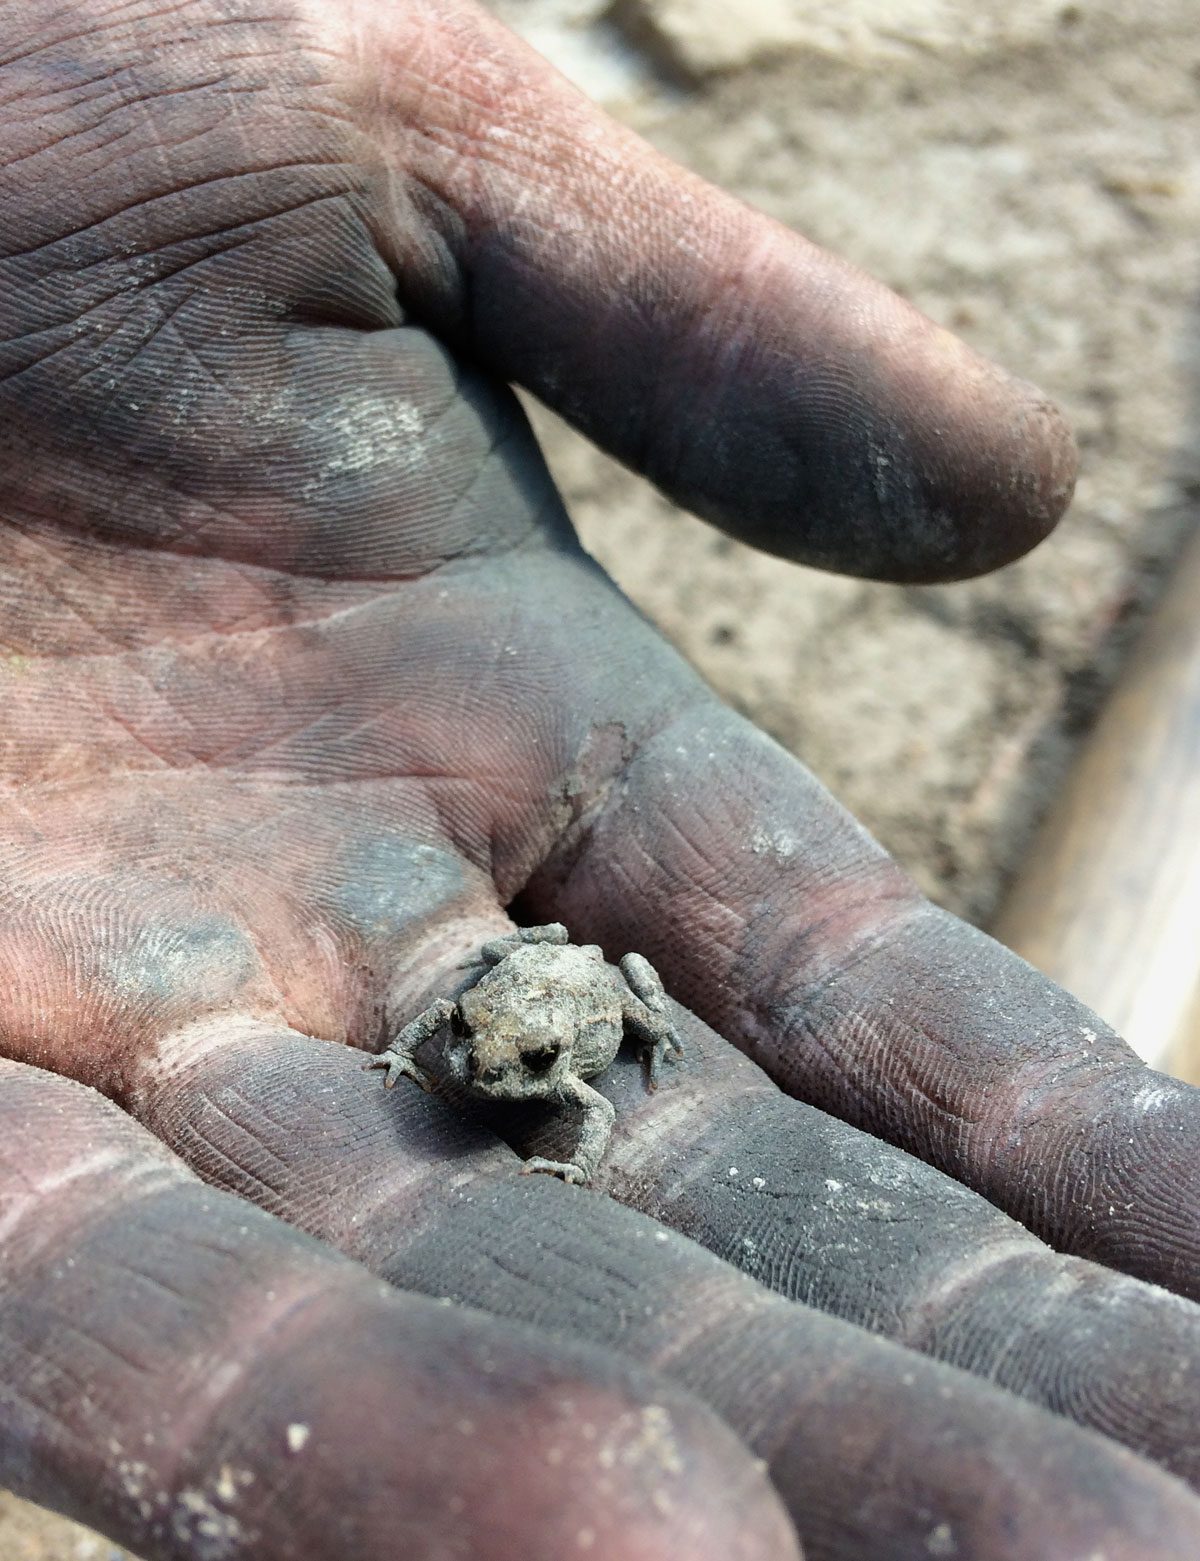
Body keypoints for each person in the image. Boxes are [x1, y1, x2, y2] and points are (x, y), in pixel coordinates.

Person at [0, 2, 1196, 1557]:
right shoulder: (467, 1044)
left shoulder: (549, 1040)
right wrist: (428, 1061)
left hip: (568, 986)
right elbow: (458, 1037)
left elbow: (578, 1038)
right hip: (513, 988)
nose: (475, 1071)